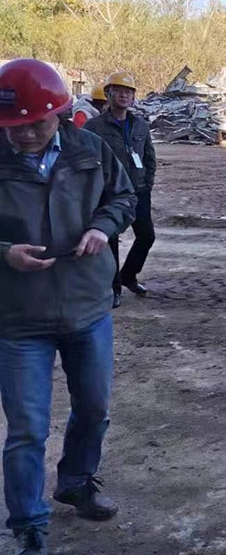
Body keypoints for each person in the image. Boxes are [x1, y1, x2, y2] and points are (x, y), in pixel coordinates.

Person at [0, 59, 136, 555]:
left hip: (86, 306)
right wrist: (4, 253)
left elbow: (124, 197)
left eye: (36, 124)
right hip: (19, 317)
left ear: (58, 113)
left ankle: (76, 481)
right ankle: (28, 523)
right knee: (27, 429)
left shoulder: (90, 149)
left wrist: (103, 227)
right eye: (13, 126)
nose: (24, 134)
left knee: (94, 408)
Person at [84, 71, 157, 307]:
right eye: (119, 91)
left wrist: (146, 184)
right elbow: (85, 160)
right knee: (111, 241)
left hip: (138, 191)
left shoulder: (140, 126)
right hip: (109, 194)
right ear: (108, 94)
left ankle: (128, 275)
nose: (124, 96)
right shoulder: (94, 127)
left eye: (129, 92)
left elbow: (149, 158)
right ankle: (113, 288)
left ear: (133, 97)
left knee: (146, 236)